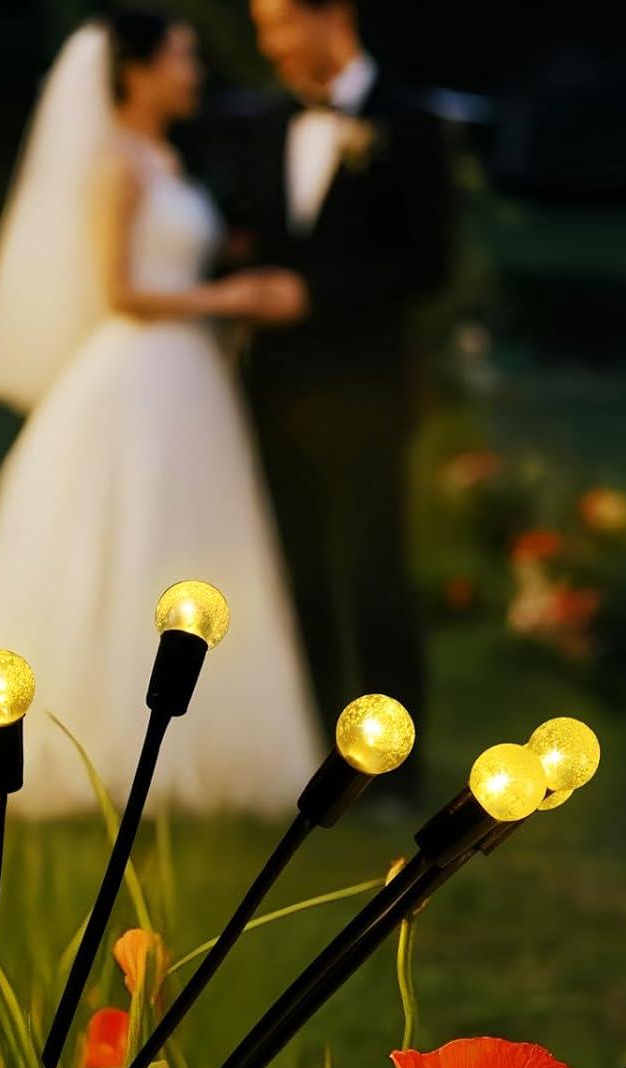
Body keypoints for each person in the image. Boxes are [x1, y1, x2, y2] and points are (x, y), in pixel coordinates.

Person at [0, 10, 321, 818]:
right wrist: (232, 296)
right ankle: (96, 735)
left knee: (192, 545)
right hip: (140, 374)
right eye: (183, 57)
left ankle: (209, 749)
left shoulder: (165, 159)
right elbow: (120, 289)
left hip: (189, 382)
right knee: (120, 545)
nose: (194, 73)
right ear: (138, 70)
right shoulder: (114, 165)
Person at [233, 0, 454, 766]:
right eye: (264, 30)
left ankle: (394, 764)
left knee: (373, 576)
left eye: (283, 25)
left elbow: (429, 264)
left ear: (335, 16)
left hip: (365, 387)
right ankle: (316, 753)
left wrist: (315, 295)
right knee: (298, 579)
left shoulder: (412, 126)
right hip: (272, 389)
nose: (273, 47)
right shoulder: (264, 124)